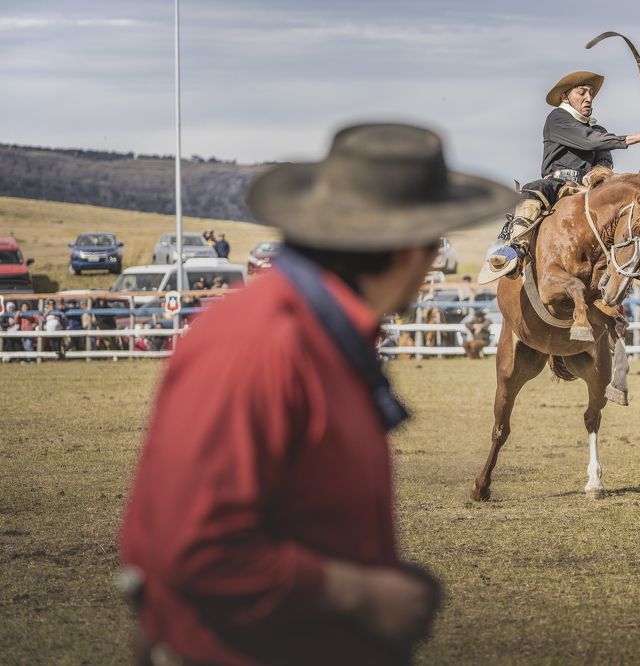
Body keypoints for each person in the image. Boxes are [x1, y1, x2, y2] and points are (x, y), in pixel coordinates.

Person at [118, 123, 515, 665]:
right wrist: (362, 593)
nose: (431, 269)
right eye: (433, 245)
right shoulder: (257, 343)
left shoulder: (322, 334)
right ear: (402, 249)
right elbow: (196, 549)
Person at [478, 70, 640, 283]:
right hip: (556, 183)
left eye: (591, 93)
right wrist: (635, 138)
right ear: (565, 97)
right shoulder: (557, 118)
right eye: (582, 92)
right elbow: (588, 141)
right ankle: (516, 249)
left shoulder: (598, 129)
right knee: (533, 189)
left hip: (588, 187)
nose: (588, 98)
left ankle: (619, 268)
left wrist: (600, 171)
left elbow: (604, 158)